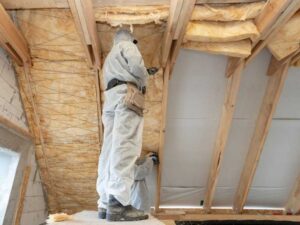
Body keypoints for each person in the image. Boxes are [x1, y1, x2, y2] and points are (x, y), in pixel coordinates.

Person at [96, 28, 155, 221]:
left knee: (110, 148)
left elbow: (124, 72)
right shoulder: (127, 45)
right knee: (126, 145)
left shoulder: (110, 57)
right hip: (126, 96)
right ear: (130, 39)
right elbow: (137, 67)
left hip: (111, 99)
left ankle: (105, 203)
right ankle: (118, 204)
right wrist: (144, 78)